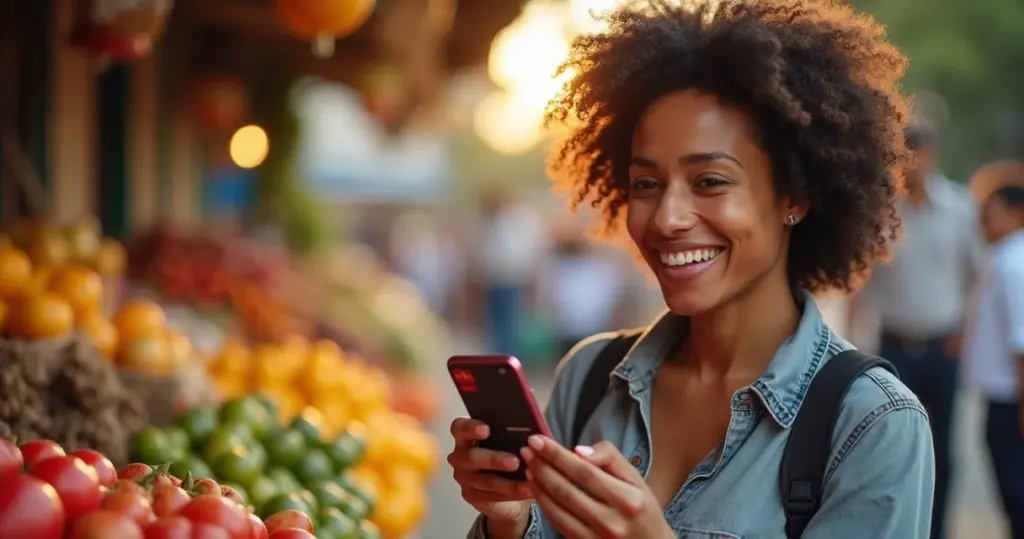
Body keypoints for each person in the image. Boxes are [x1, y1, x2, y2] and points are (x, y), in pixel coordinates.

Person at [447, 1, 934, 538]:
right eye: (646, 184)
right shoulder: (588, 378)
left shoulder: (871, 422)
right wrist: (511, 522)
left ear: (794, 196)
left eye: (710, 182)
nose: (667, 218)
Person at [854, 122, 983, 539]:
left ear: (932, 155)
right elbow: (860, 282)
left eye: (919, 154)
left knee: (942, 447)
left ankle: (937, 530)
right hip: (891, 346)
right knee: (890, 444)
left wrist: (965, 331)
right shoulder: (881, 211)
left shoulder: (961, 208)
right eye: (904, 156)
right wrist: (853, 345)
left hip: (943, 347)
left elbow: (976, 276)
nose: (913, 164)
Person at [964, 183, 1024, 539]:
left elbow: (1022, 340)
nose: (983, 221)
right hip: (1005, 396)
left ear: (1016, 213)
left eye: (991, 212)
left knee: (1017, 497)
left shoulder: (1014, 262)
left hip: (1011, 400)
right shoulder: (1005, 256)